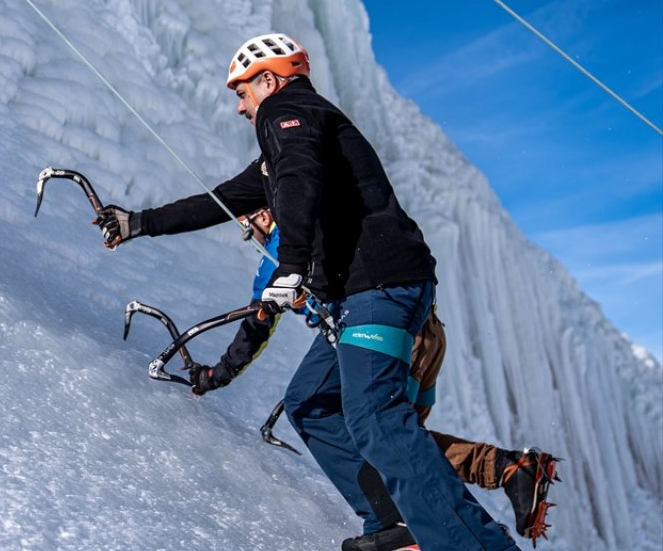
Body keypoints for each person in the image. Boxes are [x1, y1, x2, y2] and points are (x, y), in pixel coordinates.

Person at [95, 33, 518, 550]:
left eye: (242, 92)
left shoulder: (289, 112)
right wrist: (139, 222)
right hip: (362, 294)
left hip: (378, 284)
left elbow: (300, 177)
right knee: (309, 403)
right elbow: (221, 200)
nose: (239, 107)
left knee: (376, 417)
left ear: (269, 80)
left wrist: (291, 265)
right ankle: (393, 523)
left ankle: (471, 545)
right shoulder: (291, 139)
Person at [187, 208, 559, 550]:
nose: (248, 234)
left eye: (246, 225)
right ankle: (498, 481)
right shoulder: (319, 226)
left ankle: (455, 526)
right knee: (396, 442)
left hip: (392, 333)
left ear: (263, 215)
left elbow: (258, 322)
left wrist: (217, 375)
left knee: (384, 441)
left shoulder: (285, 242)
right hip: (423, 332)